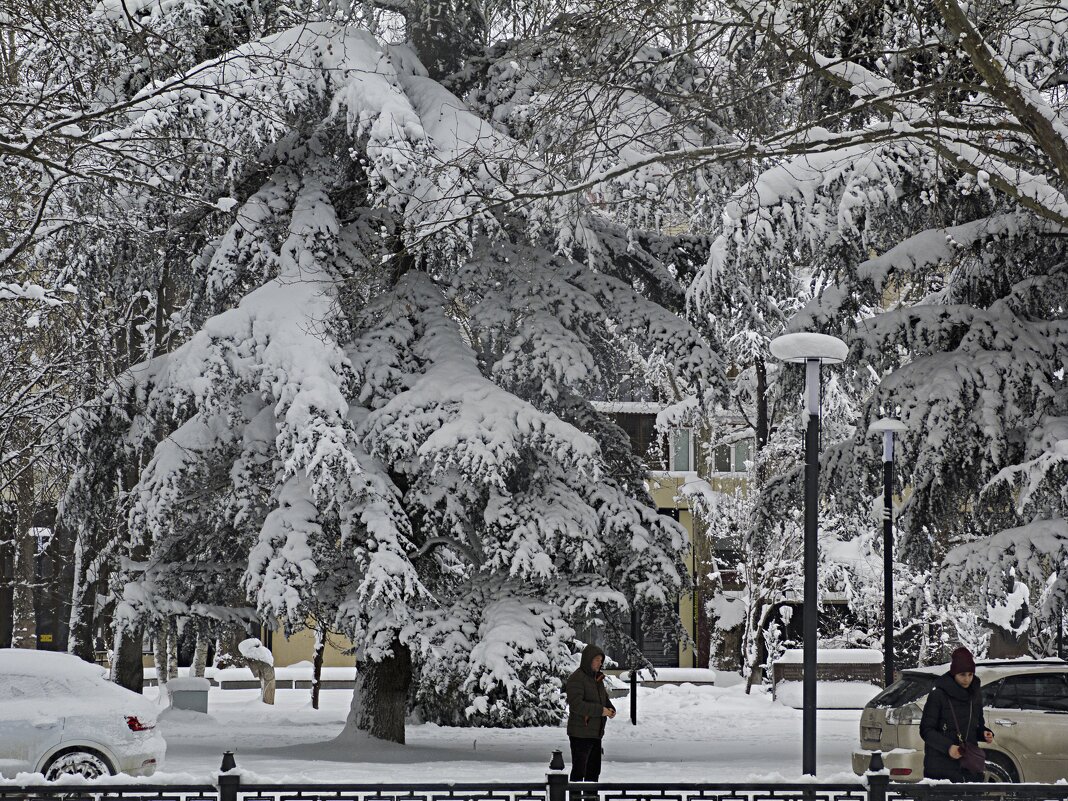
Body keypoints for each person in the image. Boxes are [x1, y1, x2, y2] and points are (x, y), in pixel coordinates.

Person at [919, 646, 994, 782]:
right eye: (962, 675)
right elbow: (926, 730)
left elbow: (976, 725)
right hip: (940, 767)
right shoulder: (938, 695)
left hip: (968, 765)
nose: (967, 679)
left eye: (970, 674)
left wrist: (983, 733)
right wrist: (948, 747)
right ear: (954, 674)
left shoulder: (974, 695)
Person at [564, 643, 616, 782]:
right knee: (579, 771)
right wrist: (601, 711)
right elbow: (577, 705)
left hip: (595, 733)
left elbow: (603, 699)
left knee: (593, 772)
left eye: (601, 660)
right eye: (597, 660)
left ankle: (591, 798)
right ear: (588, 660)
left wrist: (610, 709)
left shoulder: (597, 679)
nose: (600, 663)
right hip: (580, 734)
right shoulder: (577, 678)